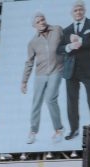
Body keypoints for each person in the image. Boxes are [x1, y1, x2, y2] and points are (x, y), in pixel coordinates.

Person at [58, 1, 90, 140]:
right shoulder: (66, 30)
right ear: (72, 13)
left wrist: (81, 41)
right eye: (75, 10)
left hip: (89, 68)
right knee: (72, 102)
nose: (78, 12)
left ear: (84, 11)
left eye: (80, 9)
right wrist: (70, 46)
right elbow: (59, 49)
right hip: (71, 70)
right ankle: (74, 129)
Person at [22, 12, 64, 145]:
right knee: (36, 103)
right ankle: (33, 131)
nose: (41, 23)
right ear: (34, 25)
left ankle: (58, 129)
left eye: (43, 20)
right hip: (40, 74)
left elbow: (67, 42)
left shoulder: (57, 29)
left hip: (56, 71)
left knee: (50, 98)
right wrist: (24, 81)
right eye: (38, 22)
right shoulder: (33, 42)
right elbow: (29, 62)